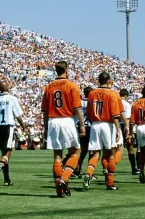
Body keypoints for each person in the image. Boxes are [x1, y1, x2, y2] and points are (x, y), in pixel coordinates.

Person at [41, 60, 86, 197]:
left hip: (53, 121)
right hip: (67, 120)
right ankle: (64, 179)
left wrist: (46, 128)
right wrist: (82, 125)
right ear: (67, 70)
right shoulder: (72, 86)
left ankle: (59, 189)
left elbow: (44, 111)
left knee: (57, 156)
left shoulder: (48, 87)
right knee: (75, 152)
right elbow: (77, 108)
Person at [82, 72, 122, 191]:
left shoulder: (92, 93)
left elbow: (88, 113)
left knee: (95, 154)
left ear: (98, 80)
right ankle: (110, 183)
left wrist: (94, 122)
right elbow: (115, 114)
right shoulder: (113, 93)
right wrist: (118, 129)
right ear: (108, 80)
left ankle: (88, 174)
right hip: (108, 124)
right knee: (110, 154)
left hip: (95, 124)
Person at [72, 86, 93, 178]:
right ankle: (89, 172)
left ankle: (77, 169)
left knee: (80, 150)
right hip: (89, 126)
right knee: (91, 150)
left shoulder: (79, 102)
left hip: (78, 126)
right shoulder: (92, 103)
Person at [118, 89, 139, 175]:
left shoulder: (116, 102)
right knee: (130, 149)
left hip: (116, 126)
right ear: (126, 96)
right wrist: (129, 131)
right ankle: (134, 168)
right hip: (124, 125)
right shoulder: (127, 104)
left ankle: (109, 168)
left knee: (115, 149)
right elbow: (127, 118)